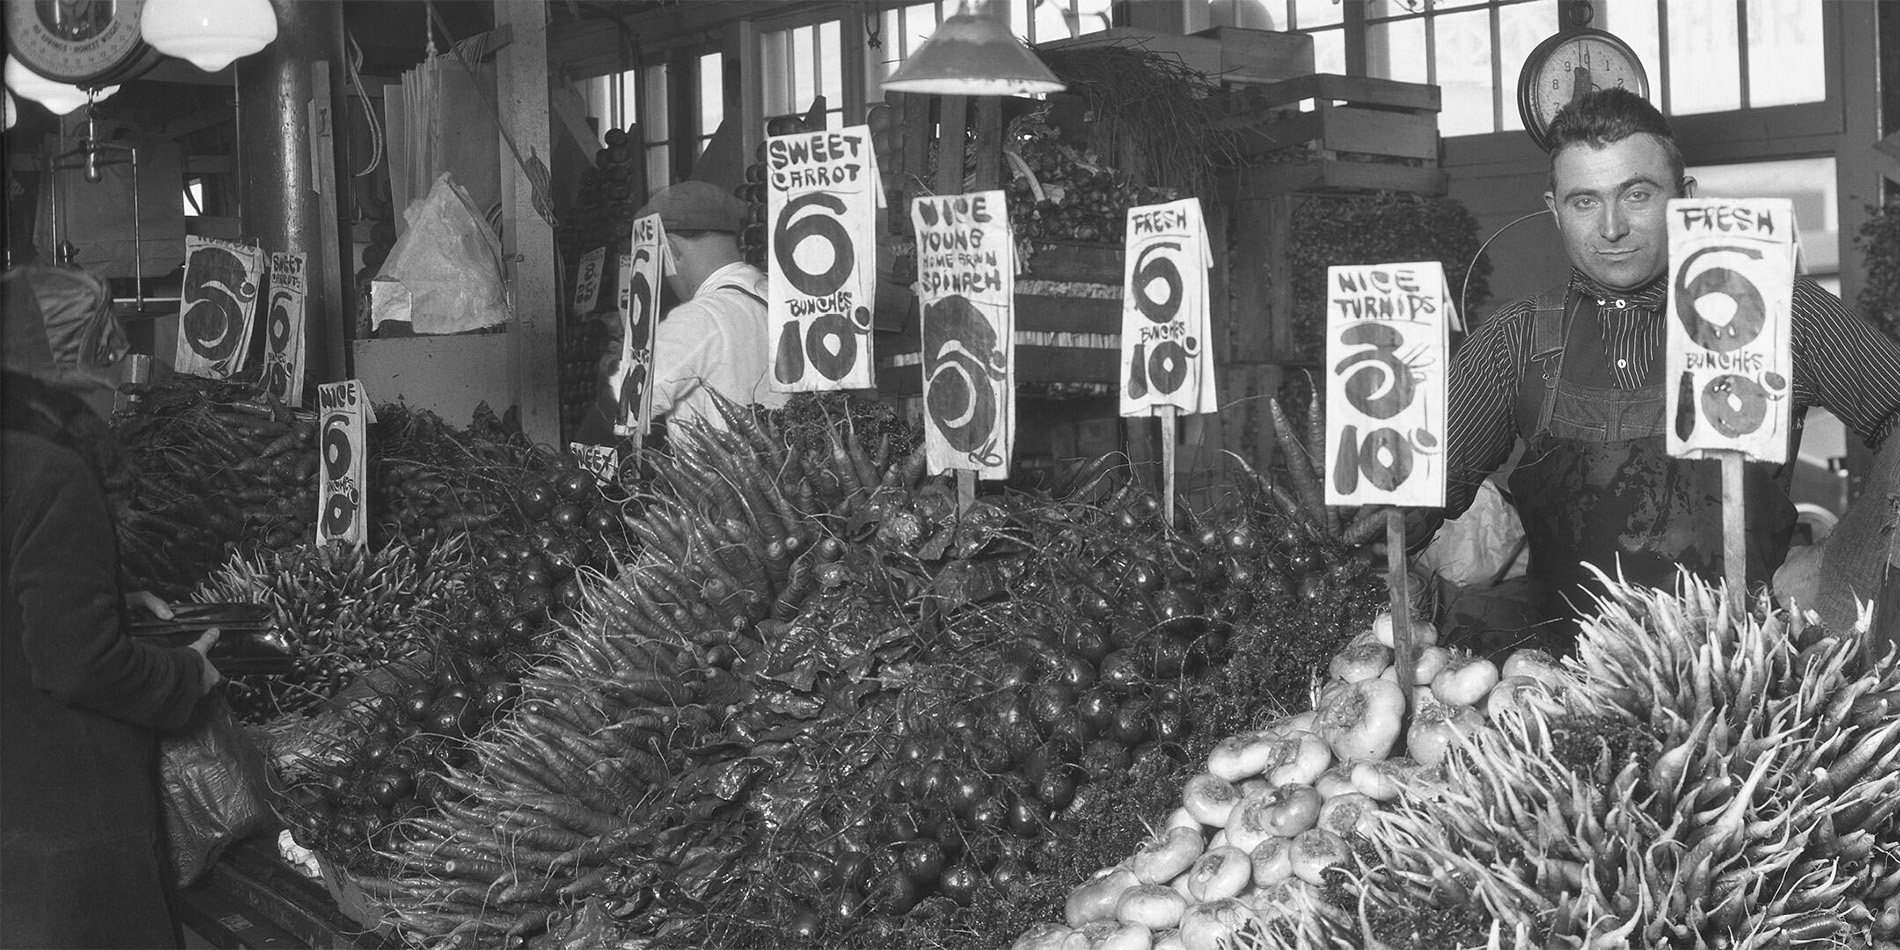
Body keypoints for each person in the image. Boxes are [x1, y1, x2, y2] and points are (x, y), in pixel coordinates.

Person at [1429, 88, 1900, 654]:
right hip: (1564, 689)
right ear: (1554, 209)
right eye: (1584, 201)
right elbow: (1413, 495)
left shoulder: (1772, 310)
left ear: (1685, 197)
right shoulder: (1514, 342)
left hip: (1748, 682)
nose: (1611, 227)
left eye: (1636, 194)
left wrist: (1838, 562)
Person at [2, 265, 222, 948]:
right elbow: (78, 666)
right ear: (62, 390)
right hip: (70, 848)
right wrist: (186, 677)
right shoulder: (51, 474)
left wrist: (99, 592)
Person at [577, 180, 789, 444]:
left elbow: (624, 405)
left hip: (720, 483)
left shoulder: (701, 319)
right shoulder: (779, 296)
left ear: (671, 248)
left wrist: (607, 373)